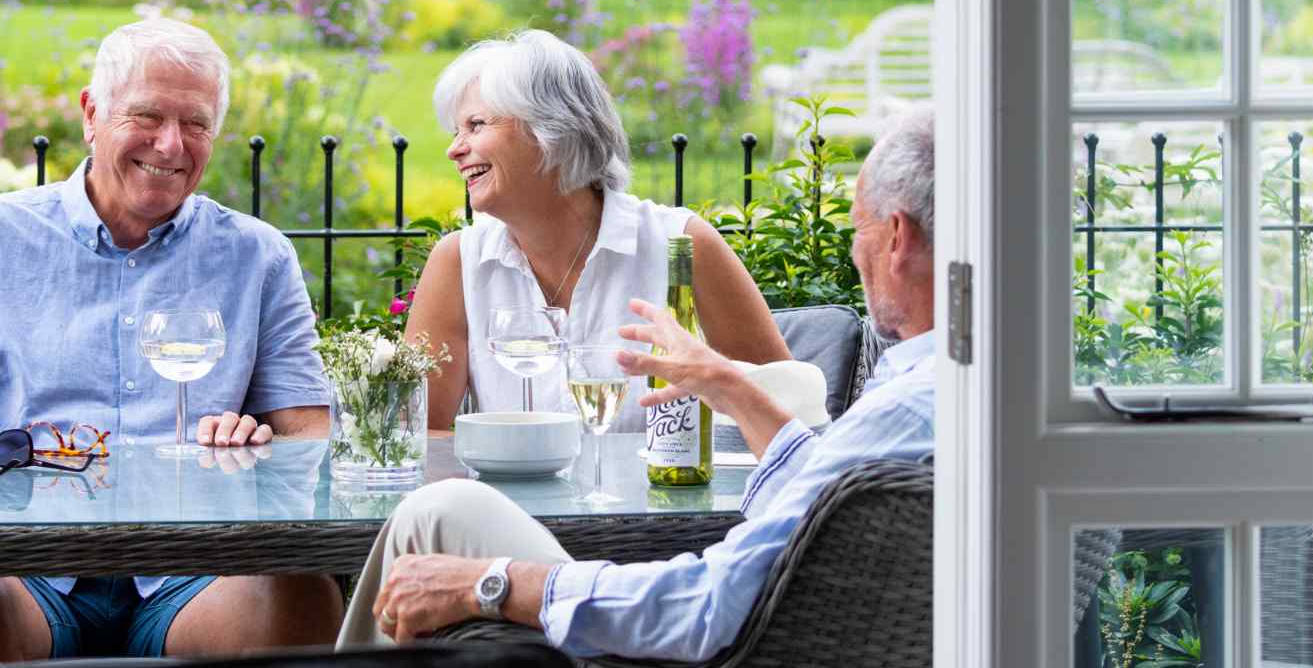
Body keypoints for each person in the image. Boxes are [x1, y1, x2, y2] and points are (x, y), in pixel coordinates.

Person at [338, 106, 938, 661]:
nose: (854, 251)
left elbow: (703, 604)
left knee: (435, 512)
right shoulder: (952, 390)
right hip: (767, 629)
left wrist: (493, 583)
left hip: (709, 646)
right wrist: (725, 383)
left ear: (896, 240)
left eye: (858, 230)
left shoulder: (904, 410)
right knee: (442, 509)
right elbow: (820, 497)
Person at [0, 19, 343, 662]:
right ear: (91, 113)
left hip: (197, 571)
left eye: (196, 124)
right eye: (148, 115)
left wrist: (257, 448)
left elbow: (309, 435)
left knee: (303, 601)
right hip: (21, 566)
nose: (171, 143)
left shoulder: (256, 257)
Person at [408, 30, 790, 432]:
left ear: (552, 127)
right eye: (456, 131)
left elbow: (783, 418)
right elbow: (420, 437)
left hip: (662, 496)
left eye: (476, 125)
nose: (454, 149)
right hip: (510, 496)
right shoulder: (458, 261)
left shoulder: (682, 245)